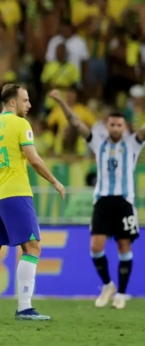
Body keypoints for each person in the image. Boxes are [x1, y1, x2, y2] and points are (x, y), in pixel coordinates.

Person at [0, 84, 65, 321]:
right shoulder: (20, 124)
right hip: (17, 193)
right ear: (12, 102)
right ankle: (24, 307)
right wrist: (54, 181)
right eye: (25, 100)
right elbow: (33, 158)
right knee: (32, 247)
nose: (29, 105)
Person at [49, 89, 144, 309]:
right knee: (96, 246)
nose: (116, 128)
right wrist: (61, 101)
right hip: (102, 201)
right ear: (107, 126)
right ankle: (108, 285)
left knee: (123, 245)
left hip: (124, 202)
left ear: (125, 127)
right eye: (112, 125)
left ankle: (121, 293)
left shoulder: (133, 144)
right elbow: (75, 123)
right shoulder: (98, 143)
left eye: (120, 125)